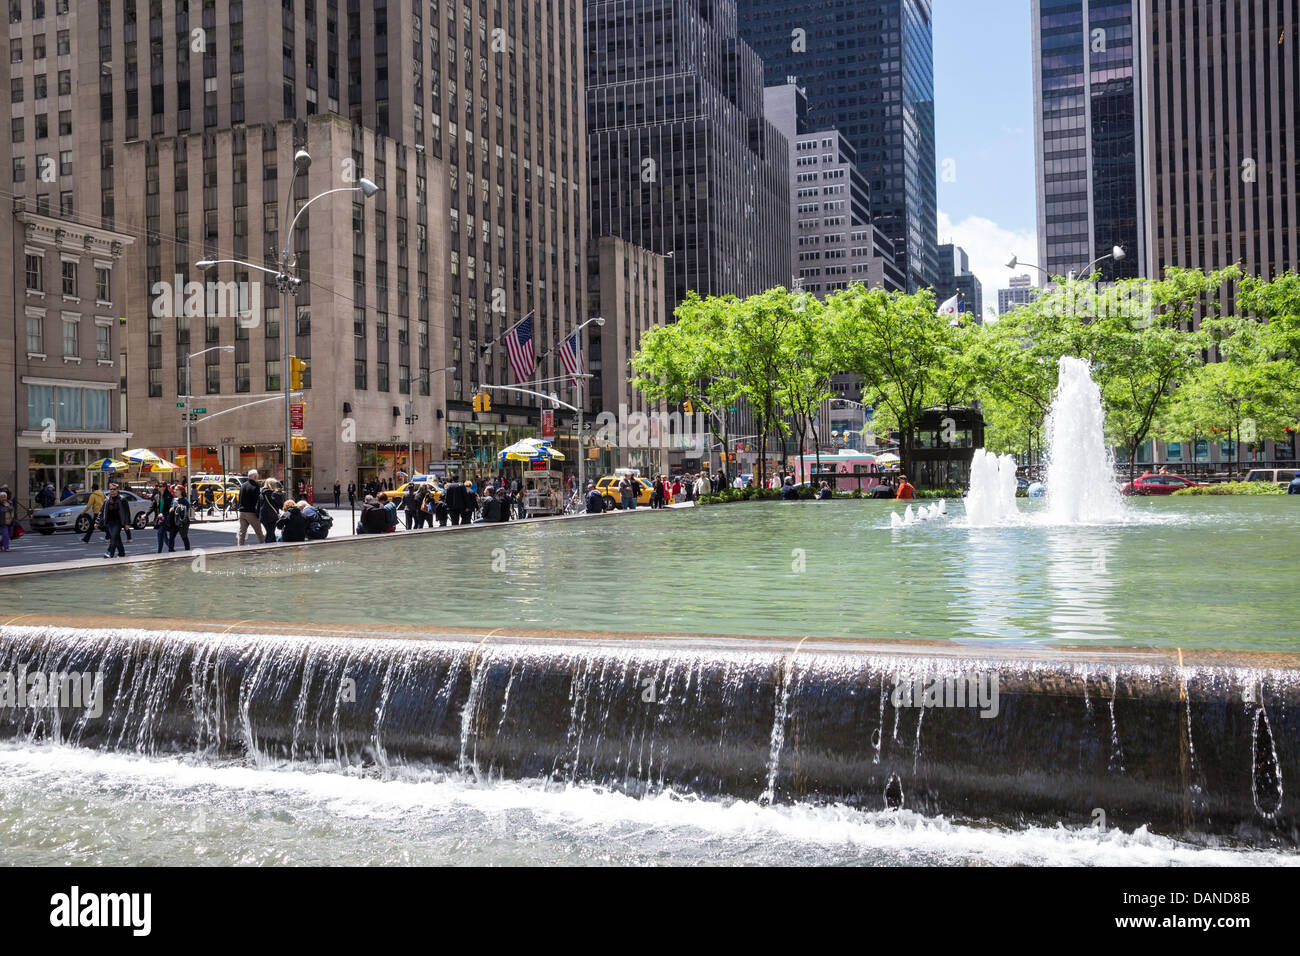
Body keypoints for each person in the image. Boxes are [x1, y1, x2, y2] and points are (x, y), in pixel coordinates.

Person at [98, 484, 132, 558]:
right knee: (117, 538)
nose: (112, 491)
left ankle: (110, 553)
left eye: (114, 489)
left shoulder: (122, 499)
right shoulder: (107, 499)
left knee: (113, 537)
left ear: (117, 490)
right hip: (109, 522)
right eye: (111, 489)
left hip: (118, 522)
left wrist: (127, 523)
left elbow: (127, 512)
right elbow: (101, 511)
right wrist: (97, 522)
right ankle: (121, 553)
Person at [237, 469, 265, 545]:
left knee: (242, 532)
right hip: (251, 512)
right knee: (259, 532)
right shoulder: (256, 486)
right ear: (255, 476)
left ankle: (240, 547)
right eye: (257, 476)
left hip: (242, 512)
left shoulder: (243, 485)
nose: (258, 477)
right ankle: (263, 546)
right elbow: (257, 501)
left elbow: (239, 498)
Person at [259, 478, 286, 544]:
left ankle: (273, 546)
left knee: (270, 532)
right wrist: (281, 496)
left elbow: (257, 506)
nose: (276, 485)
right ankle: (264, 548)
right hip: (272, 517)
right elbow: (281, 505)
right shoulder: (274, 494)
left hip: (263, 517)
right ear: (272, 485)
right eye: (275, 484)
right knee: (270, 534)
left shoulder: (261, 494)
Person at [150, 482, 176, 553]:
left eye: (160, 486)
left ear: (164, 487)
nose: (159, 487)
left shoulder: (169, 496)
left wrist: (163, 514)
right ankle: (171, 549)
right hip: (159, 517)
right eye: (158, 486)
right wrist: (146, 515)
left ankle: (159, 553)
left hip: (166, 517)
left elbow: (170, 507)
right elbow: (153, 507)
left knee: (160, 533)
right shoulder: (157, 496)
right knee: (164, 536)